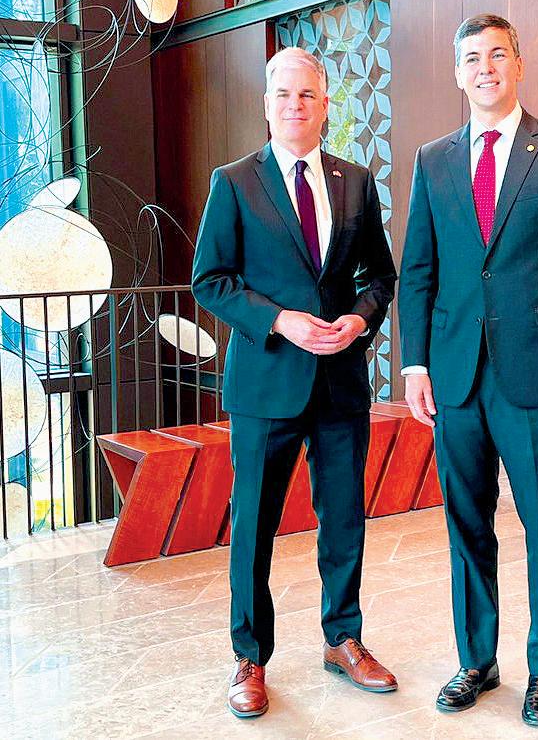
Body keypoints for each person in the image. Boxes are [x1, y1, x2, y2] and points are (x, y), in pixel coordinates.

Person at [398, 14, 538, 727]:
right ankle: (476, 660)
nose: (484, 68)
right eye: (471, 58)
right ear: (457, 73)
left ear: (518, 64)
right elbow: (418, 270)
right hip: (455, 376)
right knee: (466, 523)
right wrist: (415, 364)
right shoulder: (432, 160)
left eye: (496, 55)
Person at [192, 47, 398, 719]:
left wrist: (358, 320)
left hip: (340, 382)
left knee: (344, 518)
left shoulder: (355, 182)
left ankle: (344, 639)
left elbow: (380, 278)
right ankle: (249, 656)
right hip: (266, 383)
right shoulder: (234, 182)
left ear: (325, 105)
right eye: (283, 94)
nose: (294, 105)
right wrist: (279, 319)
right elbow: (211, 281)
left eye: (307, 94)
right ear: (266, 104)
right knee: (254, 524)